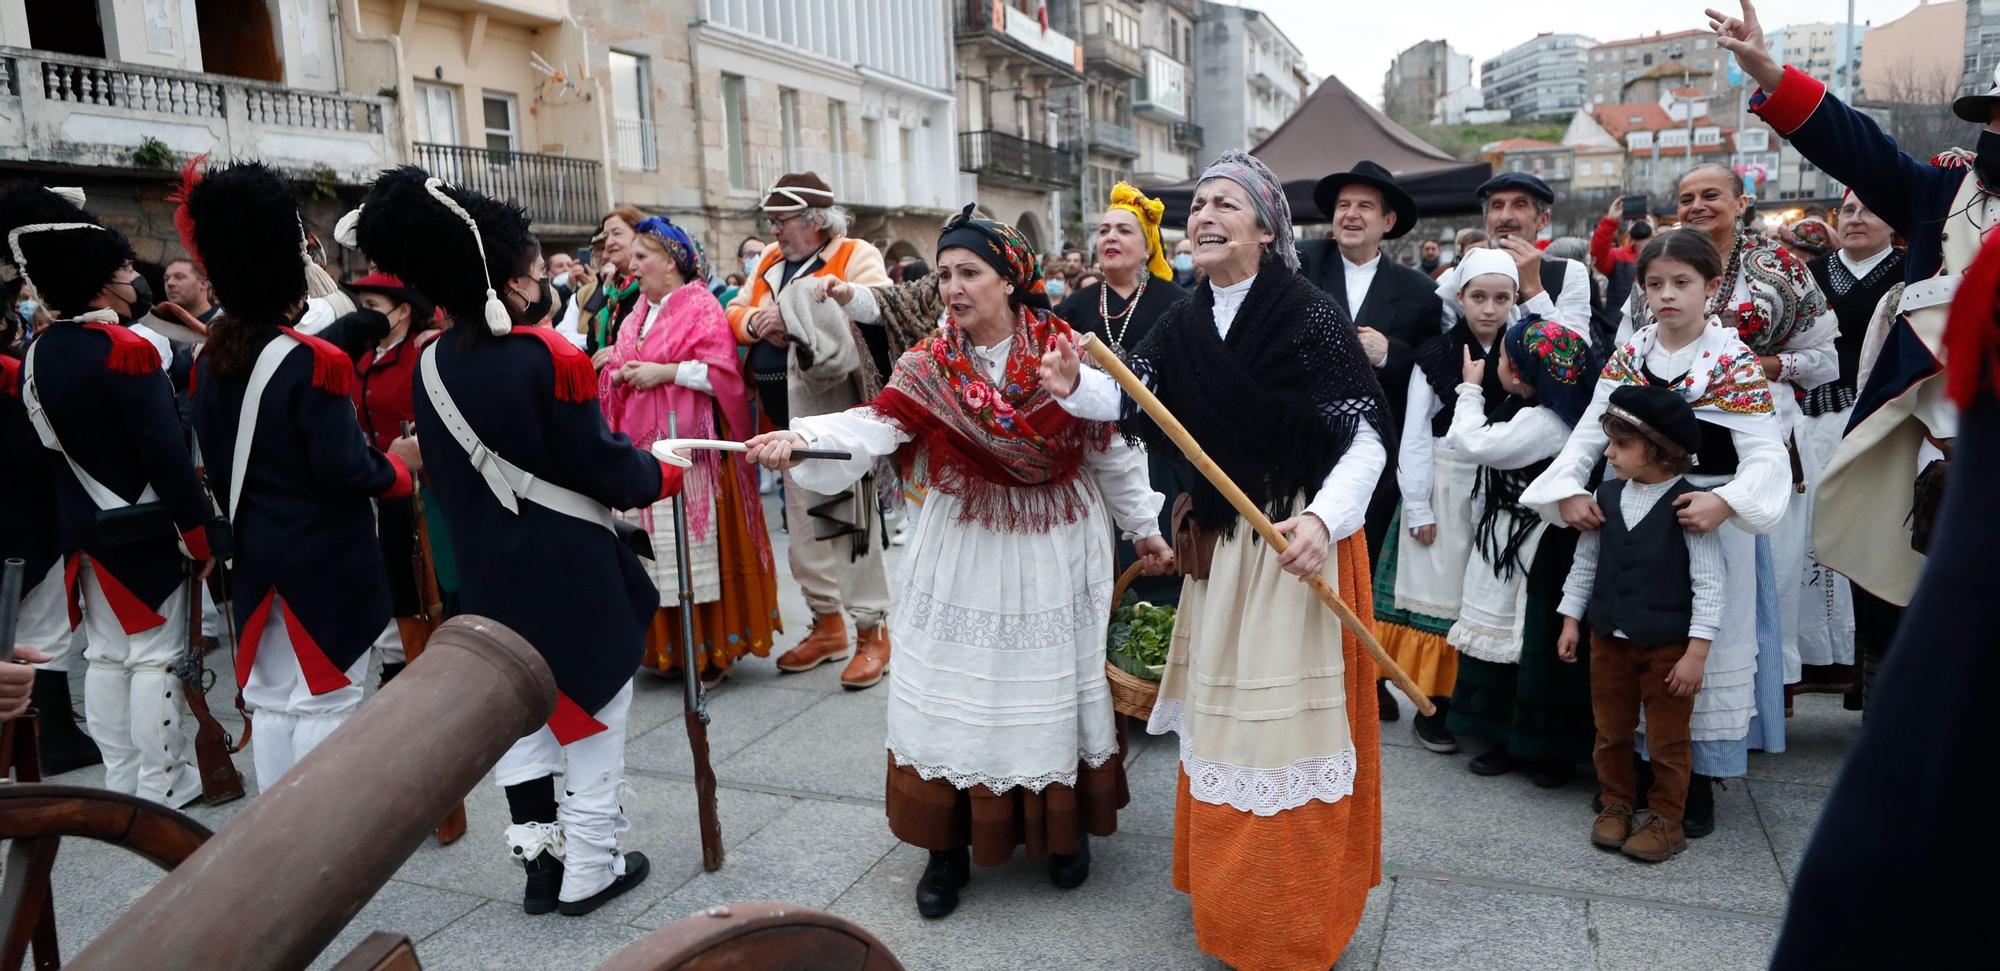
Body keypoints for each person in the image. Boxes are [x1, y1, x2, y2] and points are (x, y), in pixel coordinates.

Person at [746, 206, 1168, 919]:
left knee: (1049, 681)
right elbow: (875, 425)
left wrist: (1146, 527)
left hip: (1053, 541)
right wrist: (803, 437)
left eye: (969, 272)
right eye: (943, 275)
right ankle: (947, 848)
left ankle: (1060, 833)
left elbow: (1109, 446)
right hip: (964, 540)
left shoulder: (1063, 351)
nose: (952, 287)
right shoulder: (927, 364)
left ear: (1010, 280)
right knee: (952, 685)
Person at [1040, 150, 1389, 971]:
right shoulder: (1188, 317)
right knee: (1226, 733)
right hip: (1227, 559)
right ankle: (1235, 912)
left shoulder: (1308, 313)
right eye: (1198, 203)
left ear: (1266, 227)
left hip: (1297, 548)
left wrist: (1322, 519)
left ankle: (1296, 923)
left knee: (1288, 741)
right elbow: (1133, 395)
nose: (1204, 215)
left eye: (1225, 203)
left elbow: (1365, 435)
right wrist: (1070, 386)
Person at [353, 165, 683, 916]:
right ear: (506, 282)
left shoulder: (430, 362)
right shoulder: (549, 356)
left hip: (489, 578)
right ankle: (592, 865)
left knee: (519, 720)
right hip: (569, 567)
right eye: (534, 271)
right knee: (596, 709)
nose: (543, 282)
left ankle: (541, 868)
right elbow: (604, 467)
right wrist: (661, 471)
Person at [1716, 1, 1986, 709]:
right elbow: (1854, 145)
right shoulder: (1942, 193)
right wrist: (1768, 70)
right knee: (1914, 623)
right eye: (1993, 113)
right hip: (1946, 456)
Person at [1523, 228, 1789, 839]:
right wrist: (1568, 488)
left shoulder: (1732, 360)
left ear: (1712, 287)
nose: (1667, 295)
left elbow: (1766, 454)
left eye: (1682, 283)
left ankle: (1692, 785)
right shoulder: (1629, 354)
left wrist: (1726, 502)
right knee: (1631, 650)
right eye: (1655, 284)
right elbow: (1592, 431)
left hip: (1704, 515)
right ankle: (1631, 780)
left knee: (1696, 654)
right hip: (1637, 511)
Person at [176, 161, 419, 789]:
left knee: (277, 699)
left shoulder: (211, 356)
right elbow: (344, 467)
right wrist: (399, 468)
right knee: (327, 700)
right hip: (322, 559)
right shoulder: (313, 362)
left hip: (257, 555)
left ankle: (276, 840)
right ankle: (319, 844)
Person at [0, 182, 227, 807]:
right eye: (125, 268)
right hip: (150, 526)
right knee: (154, 658)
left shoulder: (39, 350)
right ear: (99, 283)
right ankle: (163, 784)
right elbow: (166, 454)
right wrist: (202, 530)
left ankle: (122, 781)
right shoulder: (125, 348)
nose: (135, 276)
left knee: (104, 656)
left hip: (84, 526)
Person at [1633, 163, 1837, 757]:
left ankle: (1733, 729)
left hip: (1754, 437)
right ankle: (1662, 735)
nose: (1697, 205)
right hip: (1668, 439)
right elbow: (1630, 346)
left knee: (1746, 586)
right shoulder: (1662, 265)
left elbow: (1826, 358)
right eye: (1686, 196)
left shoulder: (1780, 267)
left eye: (1711, 195)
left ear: (1742, 201)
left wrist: (1758, 365)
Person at [726, 171, 896, 690]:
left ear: (815, 221)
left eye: (782, 221)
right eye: (772, 222)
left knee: (849, 528)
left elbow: (878, 307)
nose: (774, 231)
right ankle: (827, 626)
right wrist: (759, 324)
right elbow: (735, 310)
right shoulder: (771, 262)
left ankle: (873, 632)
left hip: (835, 422)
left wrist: (801, 317)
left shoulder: (855, 254)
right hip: (782, 423)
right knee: (802, 539)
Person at [600, 215, 780, 688]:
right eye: (633, 257)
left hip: (690, 448)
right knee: (655, 550)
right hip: (643, 447)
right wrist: (620, 373)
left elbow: (722, 374)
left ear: (672, 263)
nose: (633, 267)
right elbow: (626, 360)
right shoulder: (638, 311)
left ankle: (709, 651)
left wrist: (666, 373)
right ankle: (668, 651)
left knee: (691, 547)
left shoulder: (700, 305)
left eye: (642, 258)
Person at [1298, 160, 1448, 721]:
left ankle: (1369, 673)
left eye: (1364, 206)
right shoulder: (1300, 265)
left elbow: (1434, 369)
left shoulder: (1417, 292)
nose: (1350, 214)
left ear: (1388, 222)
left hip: (1373, 450)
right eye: (1343, 205)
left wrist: (1393, 355)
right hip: (1302, 440)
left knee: (1360, 560)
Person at [1558, 383, 1721, 863]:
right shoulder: (1605, 495)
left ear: (1660, 451)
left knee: (1668, 739)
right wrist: (1571, 619)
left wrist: (1697, 652)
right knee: (1611, 731)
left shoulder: (1691, 505)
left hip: (1668, 646)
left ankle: (1667, 818)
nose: (1608, 453)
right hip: (1608, 638)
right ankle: (1616, 804)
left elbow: (1710, 584)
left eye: (1621, 444)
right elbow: (1585, 563)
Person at [1440, 312, 1597, 787]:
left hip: (1538, 543)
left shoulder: (1548, 422)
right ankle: (1500, 737)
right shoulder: (1522, 405)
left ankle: (1547, 749)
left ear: (1526, 370)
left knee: (1535, 642)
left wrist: (1469, 389)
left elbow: (1473, 444)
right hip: (1507, 538)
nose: (1498, 363)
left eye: (1505, 357)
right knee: (1500, 635)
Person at [1377, 248, 1521, 756]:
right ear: (1460, 298)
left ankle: (1476, 705)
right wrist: (1417, 505)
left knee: (1480, 598)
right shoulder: (1435, 353)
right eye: (1478, 297)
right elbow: (1414, 432)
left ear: (1513, 300)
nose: (1488, 308)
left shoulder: (1520, 348)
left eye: (1501, 298)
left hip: (1499, 486)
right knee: (1436, 597)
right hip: (1442, 480)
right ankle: (1432, 705)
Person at [1053, 183, 1193, 603]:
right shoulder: (1071, 309)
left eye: (1123, 231)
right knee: (1102, 557)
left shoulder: (1179, 304)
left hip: (1162, 448)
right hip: (1092, 452)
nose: (1110, 238)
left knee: (1163, 556)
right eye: (1104, 231)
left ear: (1148, 246)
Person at [1794, 192, 1904, 701]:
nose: (1857, 218)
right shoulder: (1809, 274)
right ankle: (1813, 666)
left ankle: (1868, 673)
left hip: (1881, 420)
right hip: (1812, 416)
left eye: (1869, 208)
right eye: (1849, 210)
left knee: (1870, 538)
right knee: (1810, 535)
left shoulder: (1910, 268)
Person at [1, 297, 102, 774]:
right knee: (42, 633)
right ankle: (52, 737)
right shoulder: (10, 375)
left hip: (22, 519)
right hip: (26, 523)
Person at [341, 272, 440, 685]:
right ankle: (396, 662)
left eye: (373, 307)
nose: (365, 315)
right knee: (386, 571)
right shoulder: (361, 360)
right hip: (375, 484)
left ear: (403, 312)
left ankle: (426, 658)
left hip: (420, 486)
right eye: (361, 305)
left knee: (418, 575)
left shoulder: (422, 354)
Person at [1470, 173, 1594, 339]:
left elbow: (1577, 352)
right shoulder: (1462, 273)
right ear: (1486, 220)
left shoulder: (1569, 272)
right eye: (1497, 206)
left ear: (1542, 220)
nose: (1505, 216)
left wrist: (1534, 291)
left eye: (1520, 205)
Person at [582, 205, 648, 359]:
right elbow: (592, 339)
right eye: (606, 236)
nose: (609, 242)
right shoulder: (614, 290)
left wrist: (619, 353)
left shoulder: (651, 286)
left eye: (616, 234)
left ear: (638, 236)